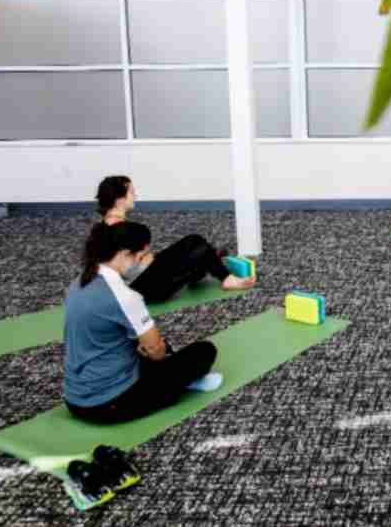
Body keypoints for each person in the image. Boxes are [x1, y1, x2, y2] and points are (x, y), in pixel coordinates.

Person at [63, 222, 220, 424]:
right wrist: (154, 352)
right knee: (204, 351)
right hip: (108, 404)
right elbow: (156, 351)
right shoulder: (125, 297)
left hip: (74, 399)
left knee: (146, 346)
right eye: (139, 258)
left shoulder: (78, 282)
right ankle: (176, 387)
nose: (140, 264)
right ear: (125, 253)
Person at [95, 175, 254, 304]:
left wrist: (151, 259)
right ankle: (226, 278)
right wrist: (147, 260)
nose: (135, 195)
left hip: (144, 279)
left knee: (197, 246)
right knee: (198, 246)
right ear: (119, 199)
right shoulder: (117, 230)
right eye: (131, 192)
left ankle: (207, 261)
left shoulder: (107, 224)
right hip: (148, 289)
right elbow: (125, 270)